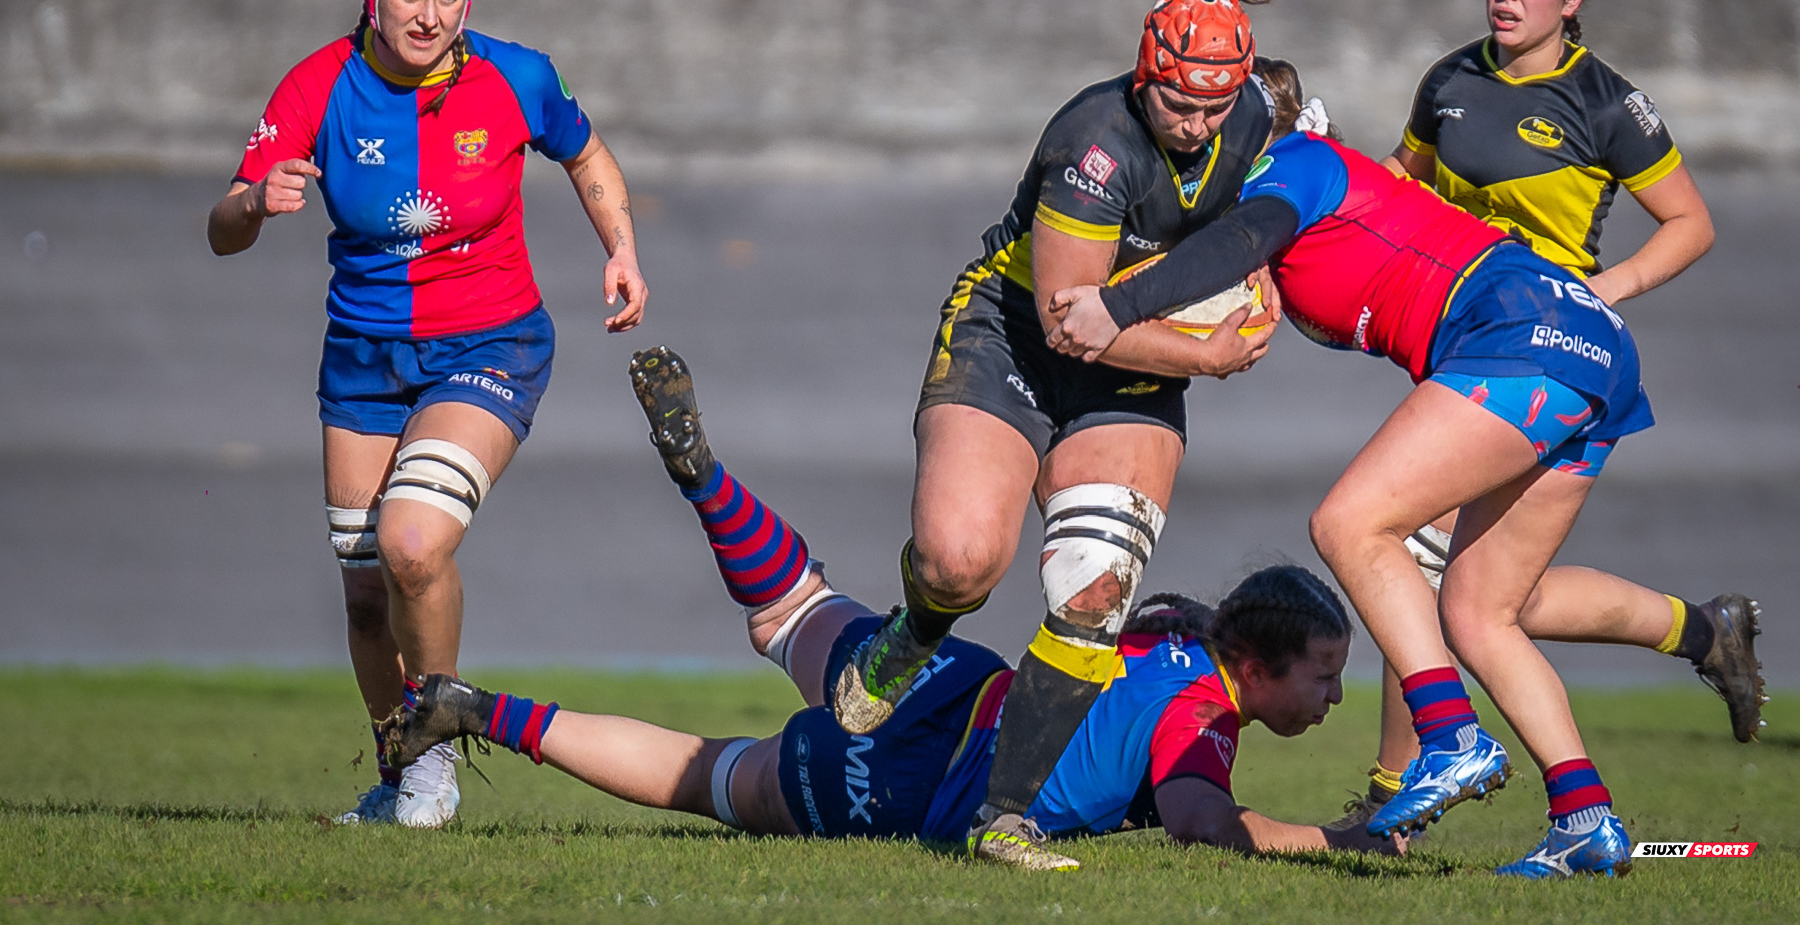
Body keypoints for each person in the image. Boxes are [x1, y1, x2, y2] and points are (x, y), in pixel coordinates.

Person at [826, 0, 1326, 870]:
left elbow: (1292, 210)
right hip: (1020, 337)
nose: (1197, 123)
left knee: (1095, 590)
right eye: (1180, 103)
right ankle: (911, 635)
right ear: (1146, 73)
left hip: (1128, 363)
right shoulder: (1092, 146)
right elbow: (1075, 321)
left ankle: (1001, 815)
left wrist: (1274, 283)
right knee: (963, 562)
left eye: (1216, 104)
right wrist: (1210, 353)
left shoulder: (1255, 118)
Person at [379, 347, 1400, 861]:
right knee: (707, 777)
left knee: (796, 607)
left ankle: (706, 482)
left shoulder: (1167, 636)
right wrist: (1336, 840)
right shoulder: (1204, 711)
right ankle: (478, 710)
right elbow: (1201, 822)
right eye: (1325, 672)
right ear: (1259, 663)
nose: (1333, 696)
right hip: (924, 785)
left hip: (960, 688)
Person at [1044, 77, 1677, 878]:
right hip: (1590, 343)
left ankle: (1450, 738)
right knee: (1481, 612)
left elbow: (1233, 244)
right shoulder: (1305, 183)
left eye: (1211, 132)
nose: (1196, 149)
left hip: (1525, 329)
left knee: (1349, 523)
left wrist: (1116, 305)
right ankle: (1584, 818)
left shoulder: (1290, 167)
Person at [207, 0, 646, 828]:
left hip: (492, 344)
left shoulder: (513, 76)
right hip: (363, 359)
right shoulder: (317, 86)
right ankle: (396, 766)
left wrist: (621, 246)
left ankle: (436, 760)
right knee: (366, 594)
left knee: (412, 546)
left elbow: (586, 151)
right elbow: (222, 229)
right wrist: (256, 203)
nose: (430, 16)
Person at [1331, 0, 1761, 827]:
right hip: (1461, 336)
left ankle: (1393, 804)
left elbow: (1692, 224)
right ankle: (1703, 629)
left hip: (1537, 353)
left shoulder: (1605, 102)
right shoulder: (1448, 80)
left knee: (1410, 550)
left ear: (1572, 0)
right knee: (1494, 597)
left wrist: (1610, 287)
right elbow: (1397, 182)